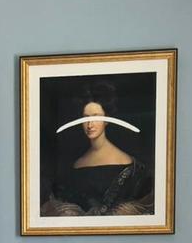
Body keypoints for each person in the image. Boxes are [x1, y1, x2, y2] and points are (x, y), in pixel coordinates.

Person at [42, 80, 153, 216]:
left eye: (96, 117)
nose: (90, 125)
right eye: (85, 118)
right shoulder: (75, 165)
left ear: (107, 119)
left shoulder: (131, 167)